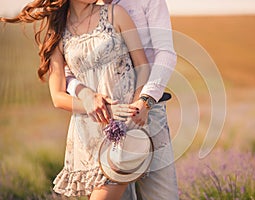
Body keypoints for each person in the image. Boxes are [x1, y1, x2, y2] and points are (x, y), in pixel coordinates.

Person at [0, 0, 154, 199]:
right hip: (86, 136)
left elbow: (143, 66)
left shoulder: (116, 14)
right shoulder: (58, 32)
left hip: (122, 131)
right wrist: (89, 103)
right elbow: (57, 96)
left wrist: (135, 109)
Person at [66, 0, 179, 199]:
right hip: (106, 122)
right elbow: (70, 69)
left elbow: (166, 54)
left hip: (146, 114)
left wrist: (145, 100)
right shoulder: (90, 7)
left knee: (161, 195)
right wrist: (85, 94)